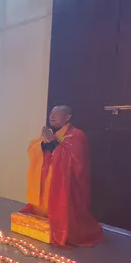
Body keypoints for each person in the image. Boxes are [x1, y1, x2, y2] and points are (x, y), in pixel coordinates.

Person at [20, 105, 103, 247]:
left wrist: (53, 144)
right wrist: (43, 145)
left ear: (67, 117)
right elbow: (33, 146)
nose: (52, 116)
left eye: (56, 113)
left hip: (64, 180)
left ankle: (61, 223)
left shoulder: (77, 135)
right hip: (48, 176)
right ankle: (45, 212)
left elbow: (77, 160)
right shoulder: (48, 132)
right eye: (51, 113)